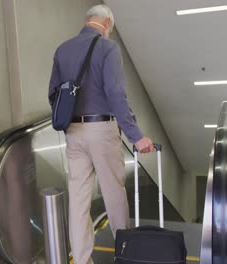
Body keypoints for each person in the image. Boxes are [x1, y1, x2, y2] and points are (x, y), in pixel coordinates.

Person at [48, 4, 154, 264]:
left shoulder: (63, 49)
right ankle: (124, 254)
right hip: (102, 130)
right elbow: (116, 93)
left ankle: (82, 260)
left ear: (88, 21)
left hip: (73, 132)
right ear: (107, 24)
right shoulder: (108, 48)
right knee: (114, 194)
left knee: (79, 200)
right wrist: (136, 135)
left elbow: (53, 95)